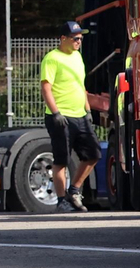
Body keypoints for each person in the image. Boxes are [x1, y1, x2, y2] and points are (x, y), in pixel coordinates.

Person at [42, 21, 100, 212]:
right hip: (61, 117)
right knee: (62, 160)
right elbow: (46, 87)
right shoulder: (52, 59)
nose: (79, 41)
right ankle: (61, 201)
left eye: (81, 38)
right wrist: (56, 113)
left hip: (80, 115)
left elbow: (80, 85)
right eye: (75, 38)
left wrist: (88, 109)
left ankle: (74, 190)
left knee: (93, 154)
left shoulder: (77, 57)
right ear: (63, 39)